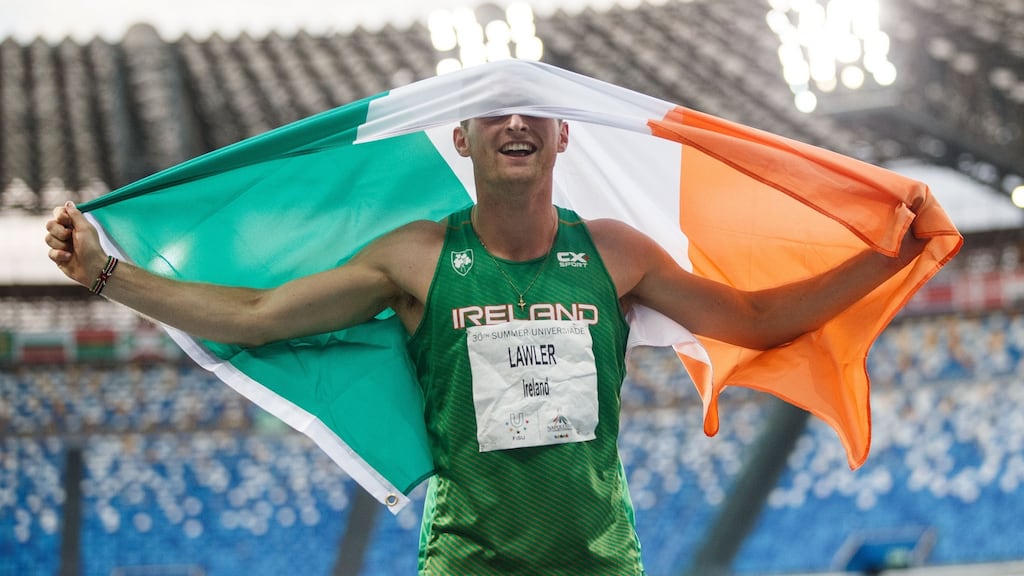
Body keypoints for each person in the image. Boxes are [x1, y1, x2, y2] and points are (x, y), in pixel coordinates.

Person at [46, 113, 926, 575]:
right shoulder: (419, 259)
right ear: (459, 137)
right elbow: (256, 315)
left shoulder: (615, 254)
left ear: (563, 133)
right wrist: (102, 277)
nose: (517, 124)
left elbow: (762, 320)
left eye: (536, 113)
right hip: (469, 567)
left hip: (601, 567)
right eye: (494, 114)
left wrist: (898, 253)